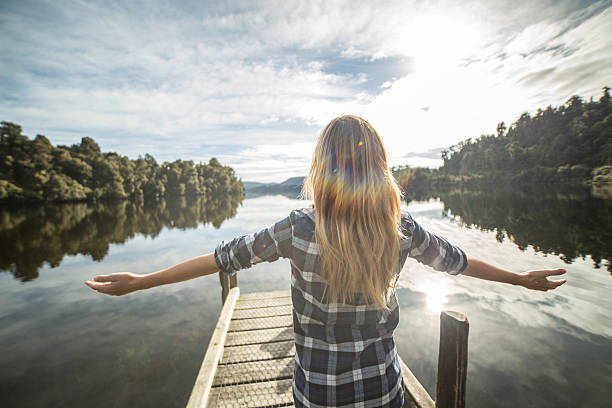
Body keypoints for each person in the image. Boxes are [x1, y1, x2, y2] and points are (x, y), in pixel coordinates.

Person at [85, 115, 567, 407]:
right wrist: (521, 278)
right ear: (379, 165)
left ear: (322, 166)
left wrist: (142, 281)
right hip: (383, 389)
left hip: (318, 392)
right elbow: (459, 263)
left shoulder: (298, 227)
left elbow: (220, 258)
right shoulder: (400, 228)